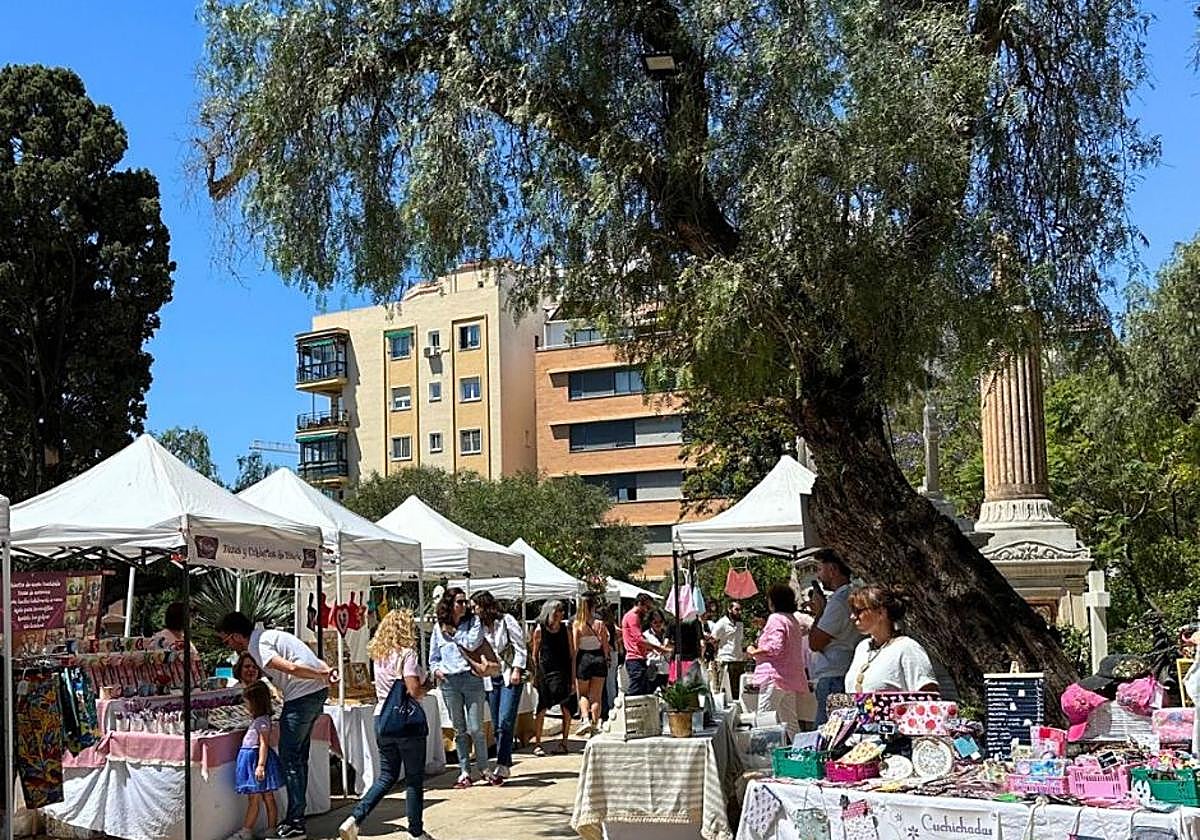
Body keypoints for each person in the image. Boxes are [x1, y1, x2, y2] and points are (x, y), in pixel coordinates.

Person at [217, 612, 334, 840]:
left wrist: (322, 674)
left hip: (303, 696)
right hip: (312, 694)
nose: (228, 645)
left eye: (227, 640)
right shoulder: (269, 635)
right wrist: (323, 674)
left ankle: (295, 823)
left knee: (292, 759)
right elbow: (306, 659)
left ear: (238, 636)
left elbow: (289, 667)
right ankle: (296, 817)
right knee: (298, 757)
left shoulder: (259, 646)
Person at [338, 609, 435, 840]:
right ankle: (415, 831)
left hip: (382, 718)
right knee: (413, 778)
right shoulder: (407, 654)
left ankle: (355, 818)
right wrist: (428, 685)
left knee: (386, 776)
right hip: (406, 722)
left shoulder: (379, 656)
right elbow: (413, 690)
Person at [429, 587, 489, 788]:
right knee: (459, 729)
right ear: (450, 604)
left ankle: (484, 768)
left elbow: (472, 644)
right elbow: (434, 656)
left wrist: (454, 634)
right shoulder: (439, 627)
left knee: (476, 728)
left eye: (465, 602)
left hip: (471, 678)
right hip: (450, 681)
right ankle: (464, 771)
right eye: (460, 602)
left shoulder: (473, 622)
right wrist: (437, 670)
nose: (464, 606)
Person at [472, 591, 527, 784]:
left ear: (484, 606)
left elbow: (520, 647)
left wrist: (517, 669)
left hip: (508, 675)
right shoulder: (477, 627)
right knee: (497, 725)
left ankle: (502, 764)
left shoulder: (506, 621)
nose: (474, 610)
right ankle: (505, 760)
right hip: (490, 678)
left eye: (476, 606)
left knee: (505, 720)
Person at [846, 585, 939, 693]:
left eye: (858, 611)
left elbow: (928, 695)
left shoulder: (907, 647)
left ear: (881, 613)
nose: (852, 616)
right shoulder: (862, 648)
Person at [807, 549, 863, 726]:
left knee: (827, 734)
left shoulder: (838, 602)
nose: (819, 575)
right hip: (842, 671)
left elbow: (815, 642)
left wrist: (820, 611)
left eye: (820, 569)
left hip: (834, 676)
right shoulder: (851, 595)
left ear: (832, 570)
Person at [746, 585, 810, 735]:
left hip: (774, 676)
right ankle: (799, 750)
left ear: (774, 601)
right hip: (789, 677)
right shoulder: (792, 620)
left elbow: (775, 647)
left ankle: (765, 755)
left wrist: (753, 651)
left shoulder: (775, 618)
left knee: (764, 716)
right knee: (790, 720)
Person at [228, 681, 284, 840]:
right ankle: (269, 828)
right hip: (253, 759)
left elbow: (264, 743)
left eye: (248, 703)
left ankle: (248, 830)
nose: (246, 707)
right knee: (265, 797)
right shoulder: (260, 720)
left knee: (259, 798)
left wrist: (260, 765)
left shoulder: (262, 722)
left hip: (256, 761)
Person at [530, 600, 574, 756]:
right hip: (545, 672)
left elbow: (571, 654)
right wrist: (535, 675)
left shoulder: (565, 629)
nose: (561, 613)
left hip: (563, 672)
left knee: (566, 708)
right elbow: (534, 655)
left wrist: (573, 676)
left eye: (562, 610)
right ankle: (538, 743)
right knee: (541, 708)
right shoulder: (539, 630)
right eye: (558, 610)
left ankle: (564, 742)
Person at [571, 595, 610, 737]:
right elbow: (605, 646)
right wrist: (606, 659)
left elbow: (575, 649)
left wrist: (573, 668)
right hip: (598, 657)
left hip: (583, 658)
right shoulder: (599, 623)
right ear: (593, 606)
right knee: (597, 696)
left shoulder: (577, 624)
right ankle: (594, 725)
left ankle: (585, 719)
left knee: (583, 694)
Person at [621, 593, 668, 695]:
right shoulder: (633, 617)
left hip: (638, 658)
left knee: (642, 691)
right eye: (647, 607)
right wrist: (659, 648)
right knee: (636, 691)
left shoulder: (631, 617)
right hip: (635, 659)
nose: (647, 610)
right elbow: (639, 640)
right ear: (639, 604)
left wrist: (651, 649)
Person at [709, 601, 747, 700]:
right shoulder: (722, 623)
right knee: (724, 690)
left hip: (738, 660)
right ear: (729, 610)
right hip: (726, 660)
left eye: (740, 610)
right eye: (736, 609)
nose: (739, 612)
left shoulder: (740, 624)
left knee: (737, 691)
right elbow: (713, 639)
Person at [643, 611, 673, 691]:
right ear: (650, 623)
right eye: (655, 622)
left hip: (666, 670)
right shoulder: (646, 635)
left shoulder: (668, 635)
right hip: (653, 670)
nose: (658, 624)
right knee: (651, 695)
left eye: (660, 622)